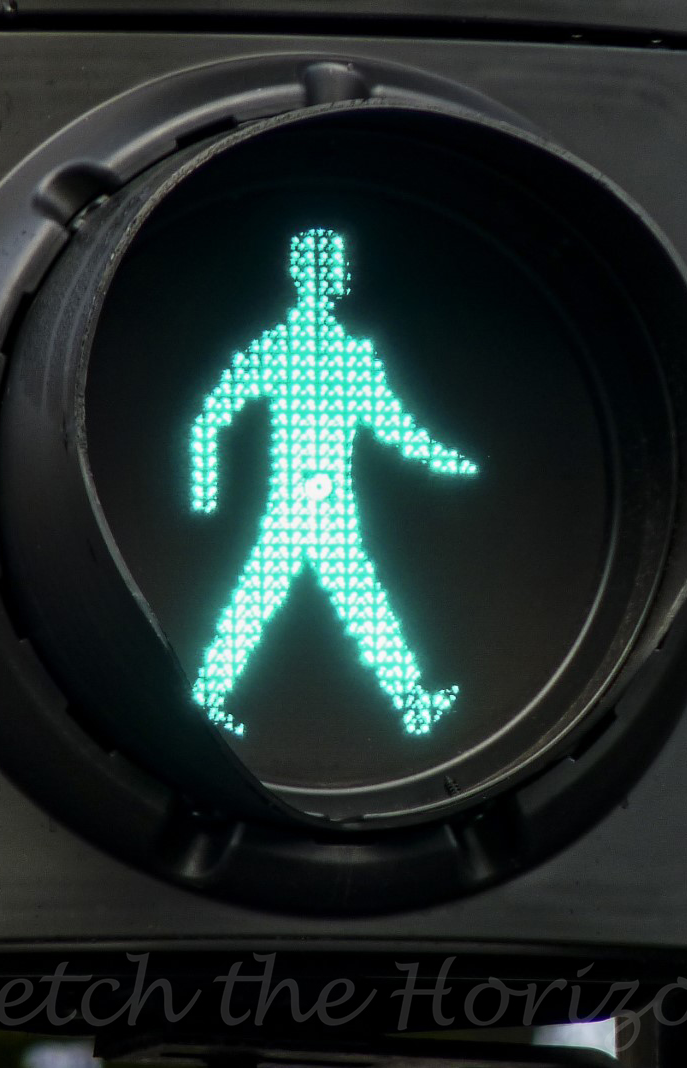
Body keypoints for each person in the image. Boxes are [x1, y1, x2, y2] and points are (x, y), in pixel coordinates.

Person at [189, 228, 479, 738]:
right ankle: (411, 704)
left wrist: (208, 493)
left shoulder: (317, 351)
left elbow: (396, 428)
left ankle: (208, 699)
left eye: (331, 268)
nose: (330, 277)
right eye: (327, 268)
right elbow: (211, 417)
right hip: (300, 512)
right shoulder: (316, 351)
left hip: (318, 513)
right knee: (321, 606)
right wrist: (206, 494)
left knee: (316, 607)